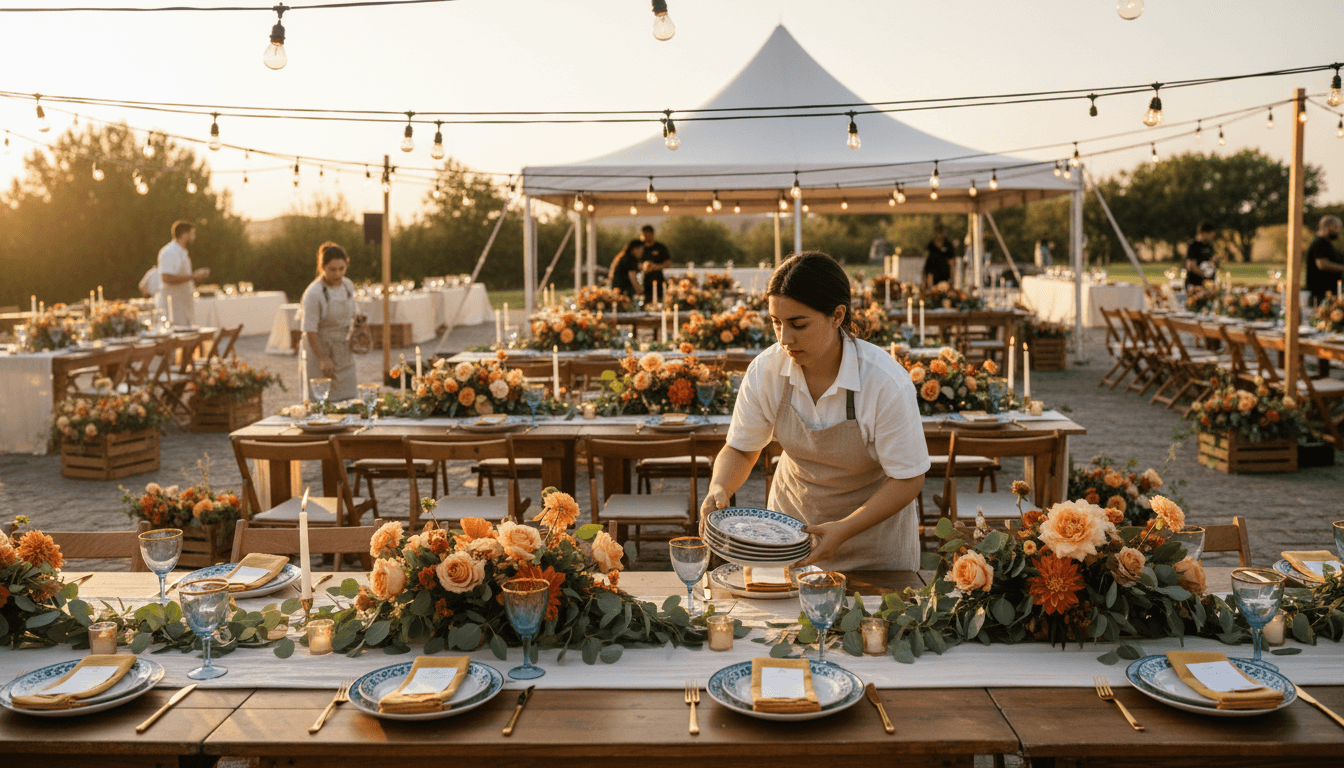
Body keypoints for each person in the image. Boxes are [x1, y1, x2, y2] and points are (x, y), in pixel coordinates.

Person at [701, 252, 929, 570]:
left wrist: (845, 528)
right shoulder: (766, 371)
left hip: (874, 543)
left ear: (837, 316)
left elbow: (908, 478)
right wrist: (719, 487)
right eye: (776, 322)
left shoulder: (883, 380)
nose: (784, 338)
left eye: (798, 324)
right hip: (788, 537)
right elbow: (741, 448)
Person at [300, 242, 359, 402]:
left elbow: (354, 313)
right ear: (322, 268)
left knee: (349, 399)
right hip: (319, 347)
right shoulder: (314, 293)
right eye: (332, 269)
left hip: (343, 349)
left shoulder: (348, 285)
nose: (338, 274)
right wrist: (323, 358)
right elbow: (309, 330)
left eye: (342, 268)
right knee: (321, 401)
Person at [157, 220, 208, 326]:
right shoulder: (169, 252)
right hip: (173, 308)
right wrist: (192, 277)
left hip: (184, 306)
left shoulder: (182, 252)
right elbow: (166, 278)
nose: (194, 236)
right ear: (185, 234)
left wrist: (194, 277)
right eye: (192, 233)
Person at [1305, 215, 1344, 304]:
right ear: (1326, 227)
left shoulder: (1326, 243)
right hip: (1321, 295)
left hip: (1328, 295)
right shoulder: (1319, 243)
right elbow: (1322, 264)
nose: (1338, 231)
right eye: (1336, 227)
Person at [638, 224, 671, 303]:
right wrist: (644, 266)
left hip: (658, 279)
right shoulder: (641, 248)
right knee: (646, 301)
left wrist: (655, 267)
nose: (645, 237)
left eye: (647, 234)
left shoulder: (660, 247)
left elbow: (668, 263)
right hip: (646, 280)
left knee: (659, 301)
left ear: (652, 234)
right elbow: (636, 263)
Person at [1184, 222, 1218, 290]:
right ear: (1204, 233)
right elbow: (1191, 266)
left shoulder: (1209, 245)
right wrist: (1205, 275)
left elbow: (1211, 261)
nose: (1212, 237)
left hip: (1208, 284)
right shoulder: (1193, 245)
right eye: (1211, 234)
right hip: (1194, 284)